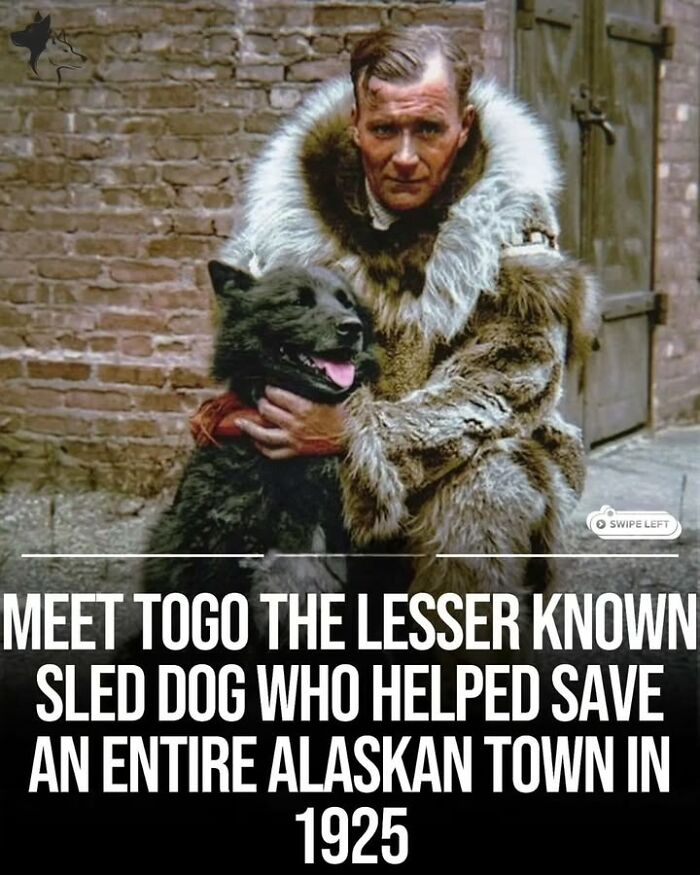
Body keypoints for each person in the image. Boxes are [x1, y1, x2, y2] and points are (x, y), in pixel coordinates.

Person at [216, 25, 599, 604]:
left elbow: (515, 381)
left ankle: (465, 685)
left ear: (463, 125)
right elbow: (255, 333)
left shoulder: (511, 213)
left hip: (471, 451)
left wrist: (358, 434)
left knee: (488, 495)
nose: (404, 157)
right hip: (330, 443)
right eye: (384, 130)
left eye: (428, 130)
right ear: (355, 124)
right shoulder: (295, 214)